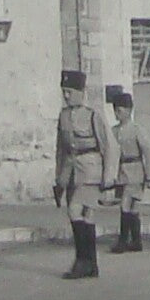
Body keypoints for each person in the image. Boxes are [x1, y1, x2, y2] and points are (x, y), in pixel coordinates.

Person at [54, 69, 119, 280]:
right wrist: (59, 180)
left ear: (81, 92)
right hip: (72, 171)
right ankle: (91, 263)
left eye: (70, 91)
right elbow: (61, 151)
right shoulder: (63, 116)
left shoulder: (93, 115)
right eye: (64, 91)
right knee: (88, 216)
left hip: (91, 170)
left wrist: (109, 178)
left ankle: (81, 261)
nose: (66, 96)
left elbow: (109, 146)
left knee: (74, 211)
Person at [109, 92, 150, 254]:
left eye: (120, 110)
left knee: (125, 204)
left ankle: (122, 240)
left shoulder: (136, 130)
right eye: (115, 110)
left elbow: (148, 151)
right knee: (133, 207)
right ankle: (136, 240)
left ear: (129, 111)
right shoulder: (114, 131)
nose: (117, 114)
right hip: (122, 172)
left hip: (135, 170)